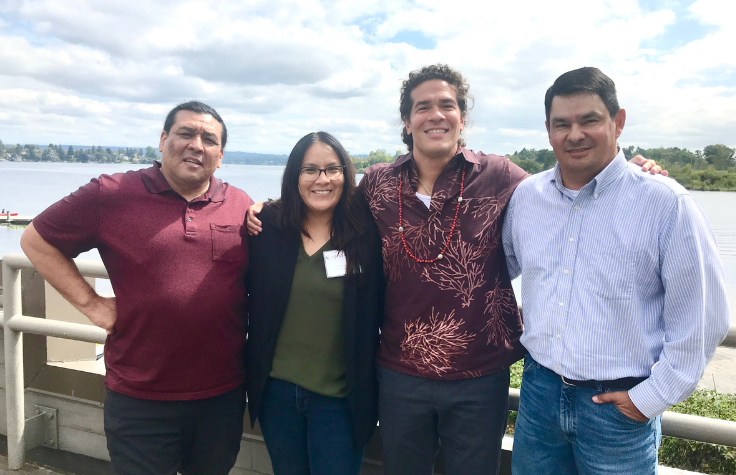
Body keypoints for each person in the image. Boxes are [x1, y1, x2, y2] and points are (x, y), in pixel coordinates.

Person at [247, 64, 663, 475]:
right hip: (398, 373)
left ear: (463, 117)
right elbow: (323, 198)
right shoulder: (377, 183)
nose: (435, 114)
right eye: (422, 106)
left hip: (479, 376)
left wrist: (627, 171)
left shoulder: (501, 177)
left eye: (447, 104)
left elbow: (565, 186)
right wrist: (268, 207)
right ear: (407, 122)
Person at [503, 67, 731, 474]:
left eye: (589, 119)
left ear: (618, 121)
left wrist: (650, 399)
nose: (574, 134)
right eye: (562, 124)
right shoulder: (527, 197)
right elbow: (500, 271)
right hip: (539, 393)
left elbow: (702, 319)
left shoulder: (666, 205)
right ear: (548, 130)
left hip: (618, 409)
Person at [20, 101, 253, 475]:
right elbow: (35, 241)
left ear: (220, 156)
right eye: (185, 133)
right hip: (141, 398)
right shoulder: (110, 194)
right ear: (162, 140)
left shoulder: (240, 204)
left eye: (209, 139)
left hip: (220, 396)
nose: (197, 144)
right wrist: (92, 303)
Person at [245, 131, 383, 475]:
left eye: (332, 169)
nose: (322, 179)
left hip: (339, 400)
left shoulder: (367, 235)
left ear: (346, 175)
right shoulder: (267, 229)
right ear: (295, 177)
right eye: (310, 170)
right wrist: (258, 206)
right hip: (277, 395)